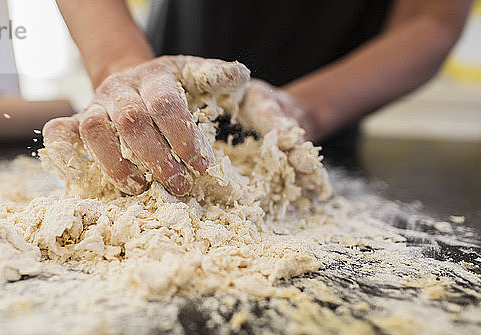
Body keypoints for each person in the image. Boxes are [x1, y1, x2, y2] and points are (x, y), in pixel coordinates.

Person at [52, 0, 471, 196]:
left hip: (325, 111)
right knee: (156, 130)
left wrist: (303, 108)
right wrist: (120, 65)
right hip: (162, 96)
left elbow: (430, 20)